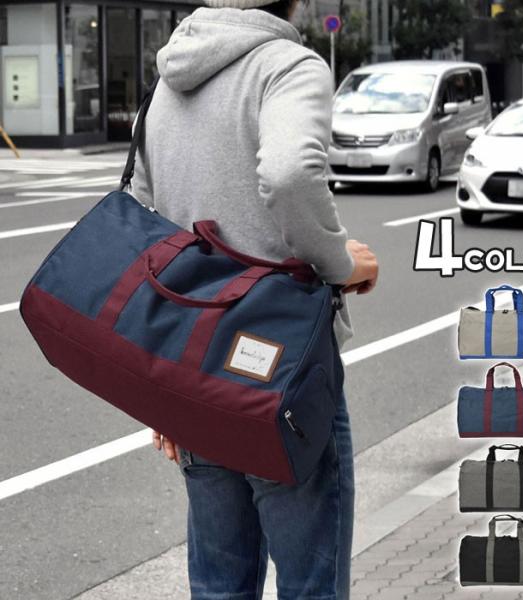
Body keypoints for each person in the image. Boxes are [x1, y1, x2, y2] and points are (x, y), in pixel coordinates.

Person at [131, 0, 379, 598]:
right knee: (310, 585)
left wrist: (160, 395)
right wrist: (340, 264)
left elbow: (141, 226)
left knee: (220, 586)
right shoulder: (287, 66)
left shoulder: (168, 79)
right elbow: (291, 173)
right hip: (283, 369)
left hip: (192, 369)